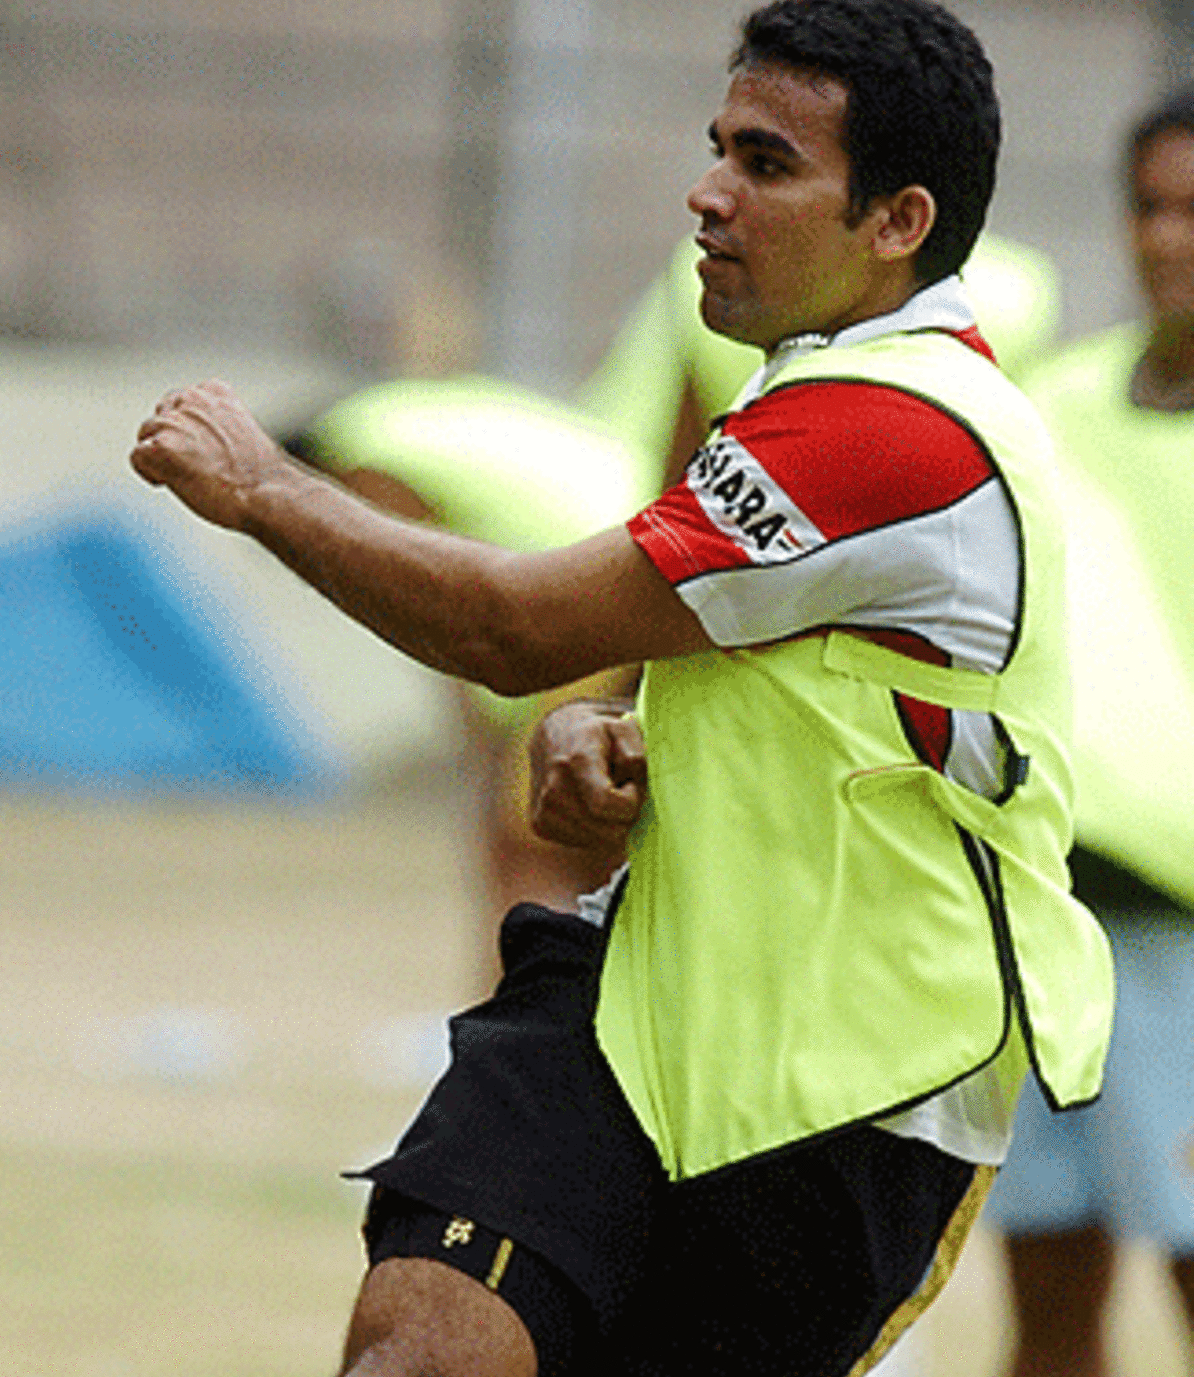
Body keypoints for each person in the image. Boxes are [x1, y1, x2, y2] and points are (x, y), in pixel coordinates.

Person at [0, 0, 1111, 1377]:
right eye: (714, 142)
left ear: (898, 217)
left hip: (857, 1116)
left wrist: (262, 485)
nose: (707, 190)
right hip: (632, 1017)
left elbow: (500, 621)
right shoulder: (798, 408)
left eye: (767, 162)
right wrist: (629, 757)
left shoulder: (896, 422)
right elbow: (794, 704)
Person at [773, 89, 1194, 1377]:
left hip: (1192, 929)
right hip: (1050, 912)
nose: (1173, 238)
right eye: (1153, 204)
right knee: (1051, 1295)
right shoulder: (1063, 406)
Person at [291, 229, 1060, 959]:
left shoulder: (362, 446)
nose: (713, 195)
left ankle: (525, 1014)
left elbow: (462, 612)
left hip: (618, 560)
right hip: (653, 540)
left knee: (528, 842)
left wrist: (486, 733)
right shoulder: (1013, 308)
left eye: (762, 163)